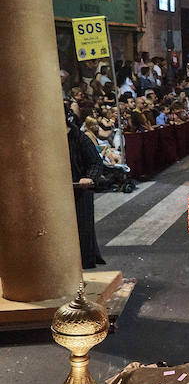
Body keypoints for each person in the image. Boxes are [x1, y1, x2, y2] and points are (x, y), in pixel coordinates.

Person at [66, 108, 105, 269]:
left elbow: (95, 163)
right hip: (58, 192)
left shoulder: (79, 138)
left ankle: (85, 263)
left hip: (79, 190)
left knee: (83, 228)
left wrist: (89, 177)